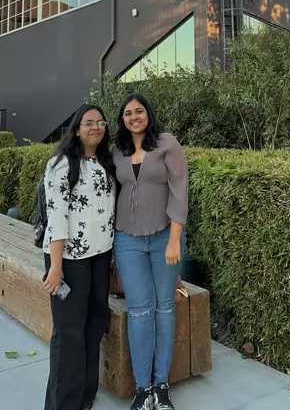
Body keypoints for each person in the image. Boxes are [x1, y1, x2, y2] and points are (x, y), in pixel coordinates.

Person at [112, 93, 189, 410]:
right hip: (127, 239)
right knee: (139, 311)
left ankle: (161, 386)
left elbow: (180, 190)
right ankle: (143, 390)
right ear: (122, 120)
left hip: (164, 237)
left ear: (148, 114)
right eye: (128, 113)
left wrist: (174, 239)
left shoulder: (166, 143)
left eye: (139, 111)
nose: (134, 117)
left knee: (164, 310)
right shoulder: (117, 151)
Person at [42, 103, 116, 410]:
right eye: (89, 122)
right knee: (69, 332)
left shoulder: (105, 162)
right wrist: (56, 266)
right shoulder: (61, 164)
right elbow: (56, 216)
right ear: (76, 129)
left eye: (100, 122)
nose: (96, 127)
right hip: (68, 260)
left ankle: (85, 395)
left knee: (94, 324)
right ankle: (63, 403)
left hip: (100, 256)